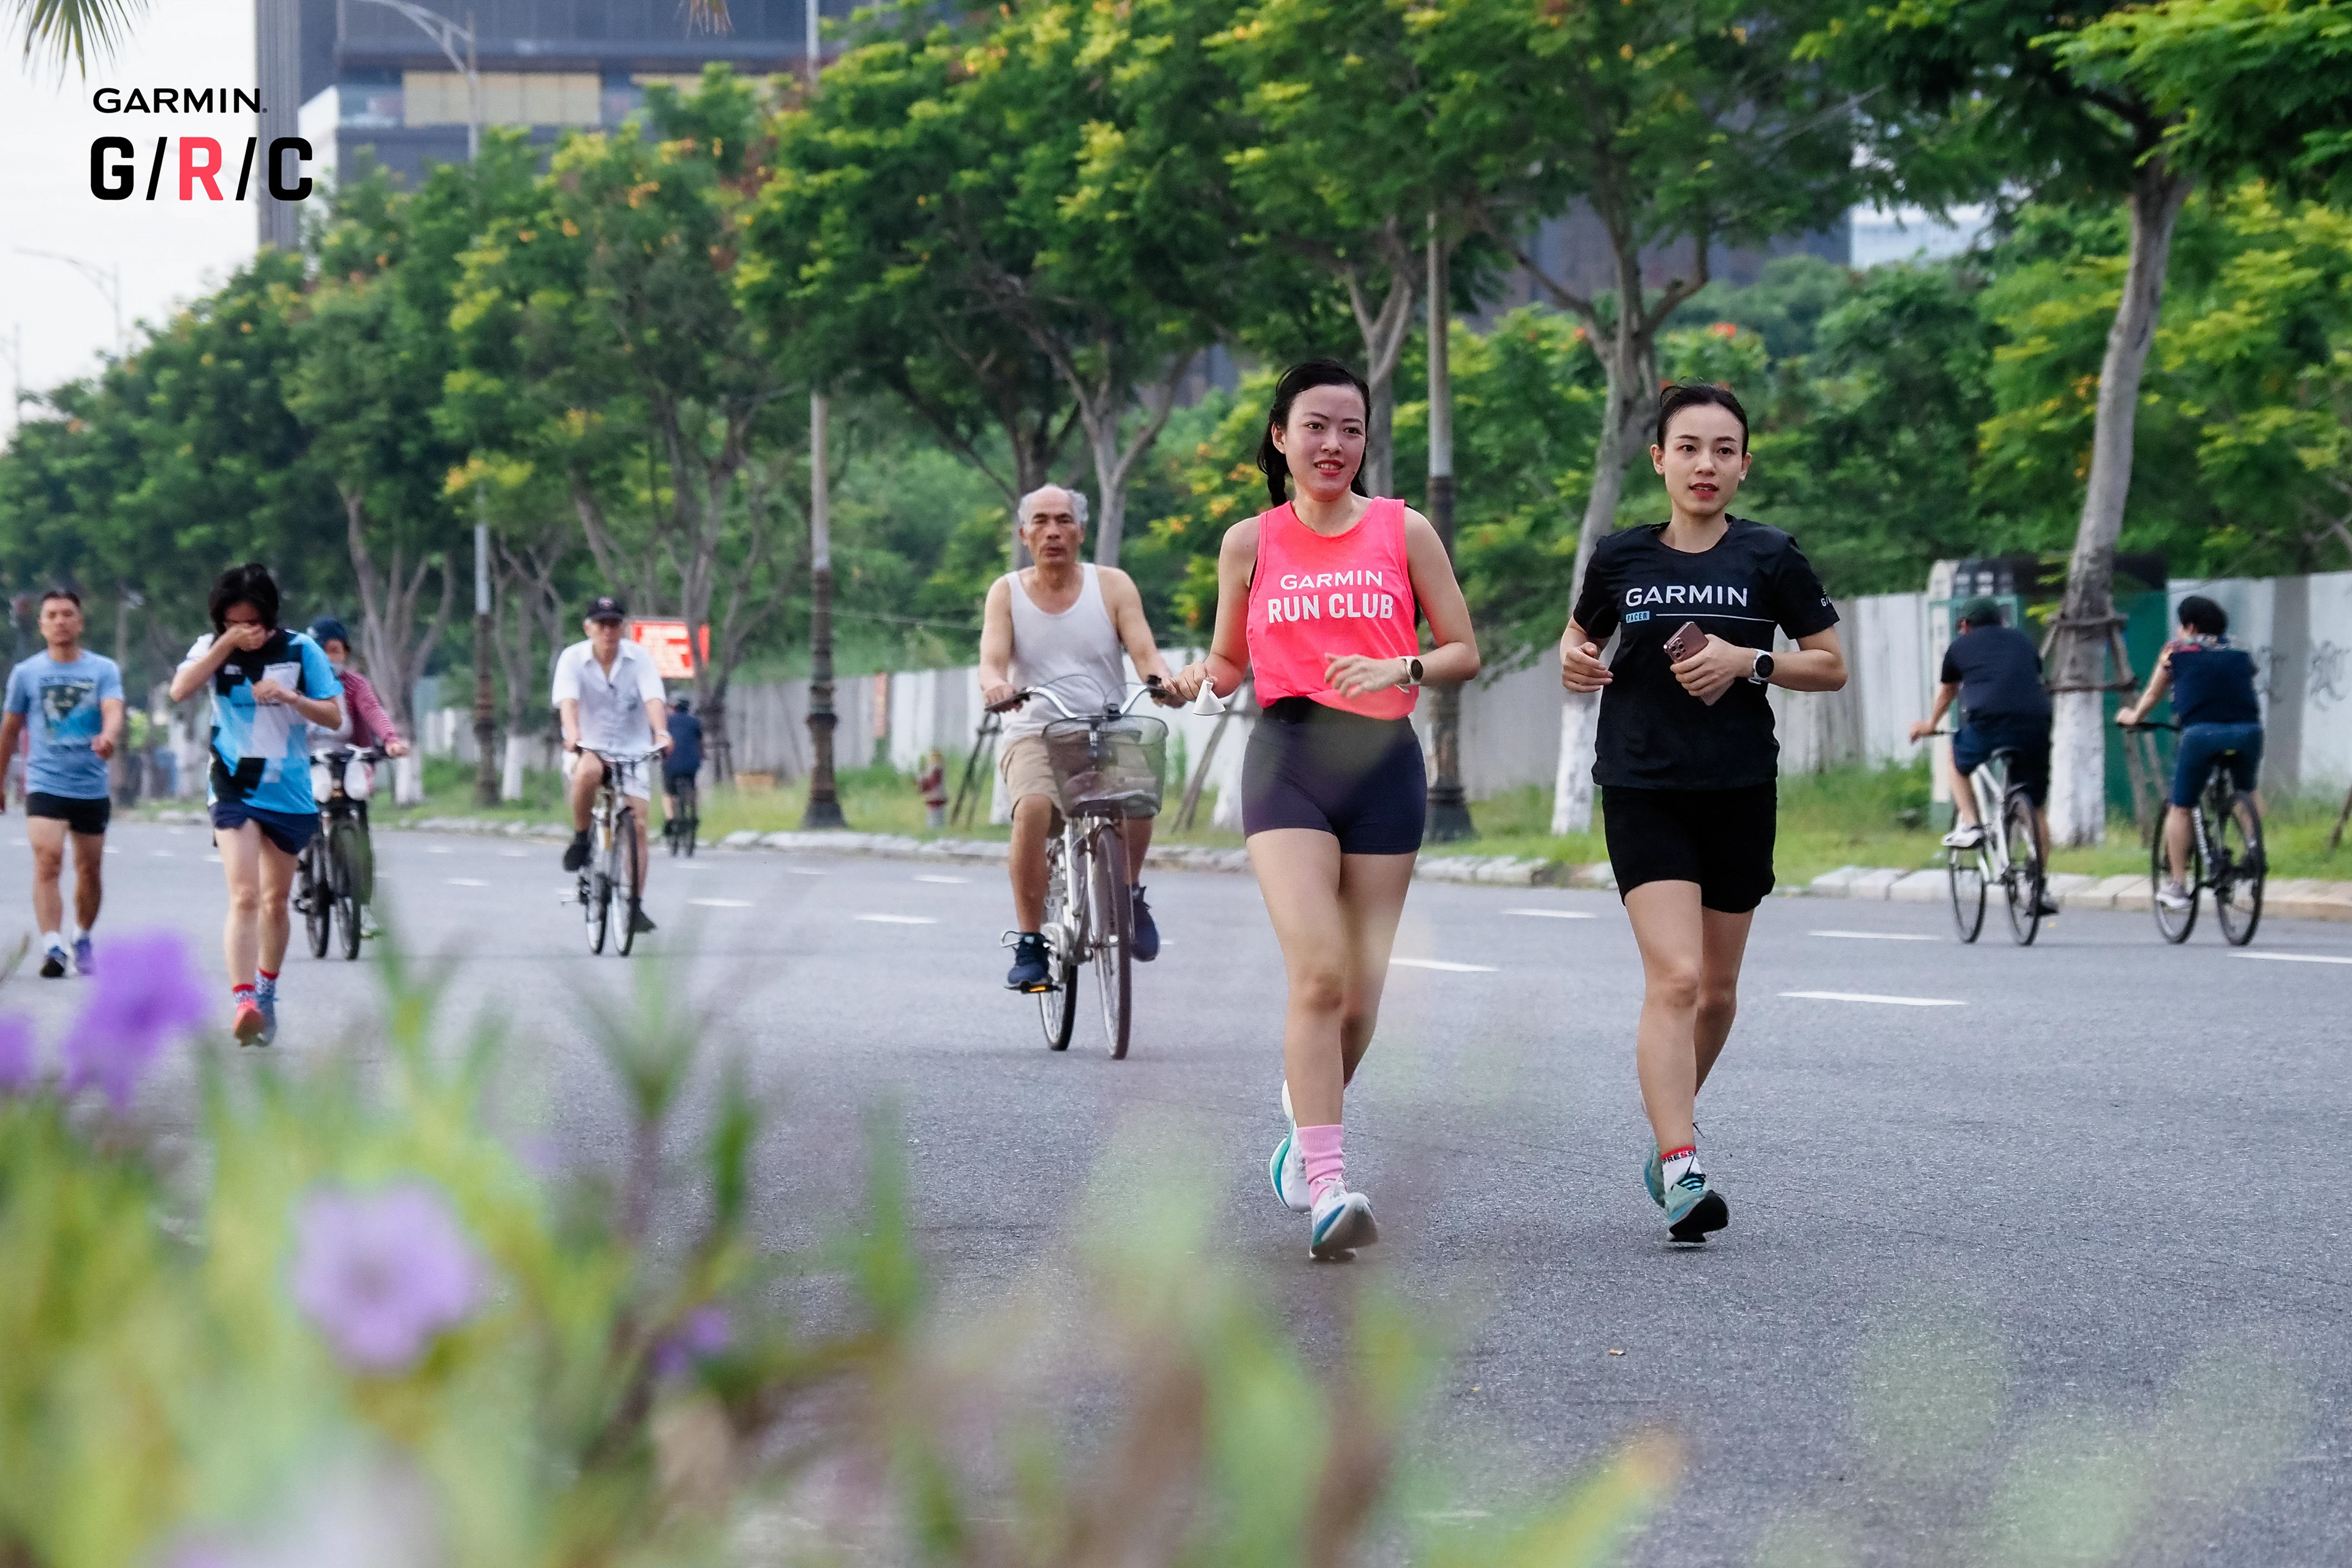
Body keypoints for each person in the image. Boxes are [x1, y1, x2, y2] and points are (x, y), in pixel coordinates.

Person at [1164, 358, 1481, 1261]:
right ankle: (1328, 1185)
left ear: (1366, 438)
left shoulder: (1403, 530)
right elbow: (1230, 661)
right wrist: (1198, 680)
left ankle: (1304, 1128)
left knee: (1362, 1000)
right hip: (1290, 761)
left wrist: (1402, 667)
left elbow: (1463, 647)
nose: (1333, 444)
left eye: (1350, 428)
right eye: (1315, 426)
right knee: (1319, 976)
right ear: (1280, 436)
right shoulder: (1250, 541)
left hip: (1384, 763)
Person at [1558, 383, 1846, 1243]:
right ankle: (1683, 1166)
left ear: (1744, 465)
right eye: (1689, 447)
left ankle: (1665, 1138)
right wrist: (1576, 663)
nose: (1706, 464)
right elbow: (1577, 640)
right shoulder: (1620, 559)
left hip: (1738, 787)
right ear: (1659, 459)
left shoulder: (1771, 556)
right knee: (1677, 979)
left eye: (1724, 450)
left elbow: (1829, 665)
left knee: (1717, 993)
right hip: (1644, 787)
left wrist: (1746, 662)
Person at [980, 484, 1178, 991]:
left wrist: (1161, 681)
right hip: (1035, 729)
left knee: (1139, 790)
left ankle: (1128, 892)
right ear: (1024, 534)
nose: (1053, 531)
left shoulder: (1112, 586)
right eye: (1041, 521)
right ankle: (1030, 942)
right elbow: (992, 662)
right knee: (1032, 809)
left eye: (1064, 520)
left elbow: (1145, 652)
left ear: (1081, 532)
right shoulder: (1006, 592)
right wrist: (998, 687)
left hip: (1105, 723)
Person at [168, 564, 345, 1044]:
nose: (244, 630)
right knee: (244, 894)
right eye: (232, 622)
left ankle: (267, 990)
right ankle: (243, 999)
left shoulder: (301, 649)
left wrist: (291, 697)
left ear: (270, 615)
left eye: (251, 621)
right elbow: (181, 690)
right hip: (232, 784)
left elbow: (332, 714)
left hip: (286, 789)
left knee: (275, 901)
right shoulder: (210, 648)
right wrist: (224, 645)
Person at [0, 588, 127, 978]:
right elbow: (9, 730)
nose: (60, 621)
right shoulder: (26, 673)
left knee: (89, 870)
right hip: (45, 781)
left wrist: (109, 737)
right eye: (52, 615)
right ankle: (53, 946)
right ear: (41, 624)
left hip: (90, 785)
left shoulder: (102, 669)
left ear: (80, 622)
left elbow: (113, 709)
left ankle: (82, 936)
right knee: (48, 860)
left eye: (67, 614)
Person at [1907, 598, 2060, 916]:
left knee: (1956, 761)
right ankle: (2039, 888)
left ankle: (1972, 824)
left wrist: (1931, 725)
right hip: (2036, 721)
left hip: (1989, 720)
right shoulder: (2021, 640)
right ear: (2001, 621)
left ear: (1965, 625)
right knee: (2035, 806)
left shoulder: (1959, 647)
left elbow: (1948, 692)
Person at [2116, 594, 2264, 910]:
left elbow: (2155, 691)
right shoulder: (2240, 649)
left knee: (2181, 806)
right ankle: (2256, 850)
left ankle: (2178, 885)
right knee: (2247, 790)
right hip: (2249, 731)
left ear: (2190, 626)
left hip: (2201, 734)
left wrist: (2133, 717)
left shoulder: (2176, 651)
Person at [553, 596, 673, 933]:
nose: (609, 631)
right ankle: (580, 838)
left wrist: (661, 732)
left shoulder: (639, 659)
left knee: (637, 825)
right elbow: (569, 702)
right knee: (589, 771)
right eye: (601, 624)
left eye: (614, 624)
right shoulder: (573, 659)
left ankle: (634, 906)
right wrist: (573, 735)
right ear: (588, 627)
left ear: (623, 627)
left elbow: (653, 698)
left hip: (632, 749)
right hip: (589, 744)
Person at [306, 617, 413, 936]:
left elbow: (373, 712)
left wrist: (391, 740)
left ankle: (364, 908)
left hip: (352, 760)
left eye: (334, 650)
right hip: (307, 763)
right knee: (303, 820)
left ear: (345, 653)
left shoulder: (355, 685)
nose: (327, 658)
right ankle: (305, 866)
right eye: (319, 651)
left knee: (361, 837)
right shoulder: (296, 686)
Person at [663, 696, 704, 831]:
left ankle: (670, 818)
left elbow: (662, 742)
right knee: (693, 786)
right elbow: (700, 742)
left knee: (669, 792)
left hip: (671, 762)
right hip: (692, 763)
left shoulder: (667, 721)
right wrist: (703, 754)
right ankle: (694, 811)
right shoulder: (694, 722)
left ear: (673, 707)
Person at [918, 748, 949, 829]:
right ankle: (935, 827)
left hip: (936, 796)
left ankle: (936, 827)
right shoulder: (935, 769)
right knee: (934, 814)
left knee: (936, 814)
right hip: (934, 796)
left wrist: (924, 783)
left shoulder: (936, 770)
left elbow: (933, 782)